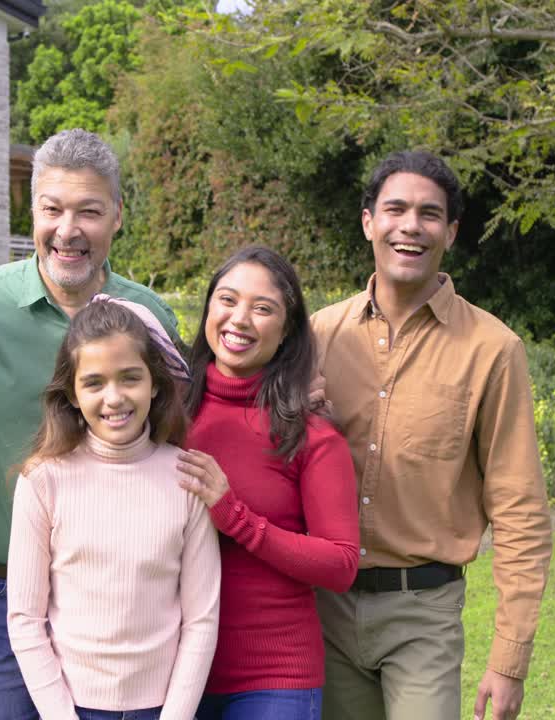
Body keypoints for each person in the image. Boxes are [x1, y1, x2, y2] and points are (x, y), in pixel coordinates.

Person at [0, 128, 180, 719]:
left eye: (89, 211)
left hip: (116, 604)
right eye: (53, 209)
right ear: (32, 211)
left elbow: (197, 416)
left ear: (117, 216)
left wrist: (302, 381)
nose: (68, 230)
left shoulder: (149, 317)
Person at [311, 151, 553, 720]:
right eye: (395, 209)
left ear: (451, 232)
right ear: (369, 221)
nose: (410, 226)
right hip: (324, 611)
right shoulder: (317, 334)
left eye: (429, 213)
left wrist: (510, 659)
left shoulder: (493, 350)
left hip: (424, 613)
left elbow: (519, 509)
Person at [6, 300, 220, 720]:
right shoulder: (44, 481)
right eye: (94, 383)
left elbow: (201, 619)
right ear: (72, 393)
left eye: (130, 378)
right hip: (74, 707)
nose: (114, 397)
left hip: (162, 708)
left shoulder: (184, 479)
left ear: (154, 383)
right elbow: (25, 619)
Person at [175, 246, 359, 720]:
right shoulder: (165, 414)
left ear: (287, 331)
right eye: (227, 300)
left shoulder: (311, 434)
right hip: (169, 672)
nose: (239, 319)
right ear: (208, 310)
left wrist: (234, 516)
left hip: (274, 678)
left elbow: (340, 564)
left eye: (263, 309)